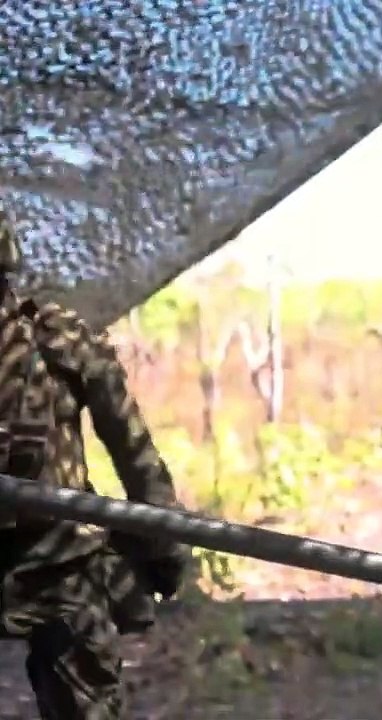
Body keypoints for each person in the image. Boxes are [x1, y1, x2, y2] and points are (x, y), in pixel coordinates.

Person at [0, 205, 190, 718]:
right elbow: (136, 456)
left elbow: (133, 452)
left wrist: (162, 544)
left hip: (60, 563)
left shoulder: (57, 340)